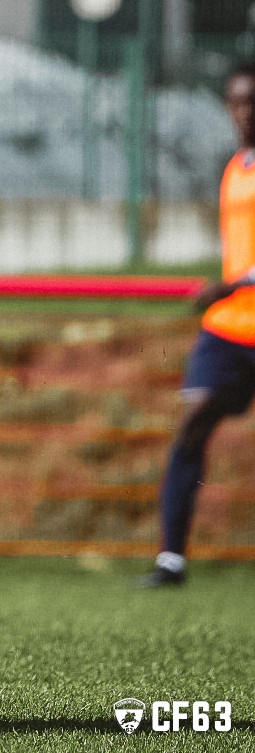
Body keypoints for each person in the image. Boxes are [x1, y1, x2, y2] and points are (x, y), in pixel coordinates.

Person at [139, 62, 255, 588]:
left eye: (253, 101)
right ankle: (171, 560)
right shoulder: (235, 168)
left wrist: (230, 285)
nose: (245, 112)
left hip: (233, 302)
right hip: (230, 327)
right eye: (237, 102)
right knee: (192, 423)